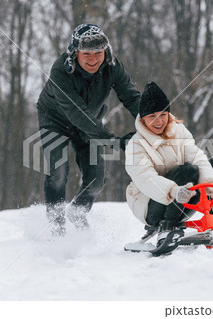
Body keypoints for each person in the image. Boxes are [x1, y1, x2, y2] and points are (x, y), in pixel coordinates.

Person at [36, 23, 140, 236]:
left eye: (98, 53)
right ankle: (56, 227)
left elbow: (131, 96)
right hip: (55, 120)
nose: (93, 59)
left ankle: (78, 211)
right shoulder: (60, 71)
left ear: (106, 51)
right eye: (86, 54)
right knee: (58, 172)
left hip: (89, 120)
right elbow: (77, 113)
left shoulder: (112, 66)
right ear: (75, 53)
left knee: (96, 178)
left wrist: (154, 120)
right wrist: (112, 140)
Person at [125, 82, 213, 254]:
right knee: (188, 170)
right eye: (152, 117)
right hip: (152, 207)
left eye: (163, 114)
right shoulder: (136, 145)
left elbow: (197, 157)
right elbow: (146, 179)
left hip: (185, 198)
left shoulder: (179, 131)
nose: (159, 121)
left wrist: (212, 185)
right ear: (143, 119)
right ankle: (167, 226)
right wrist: (174, 191)